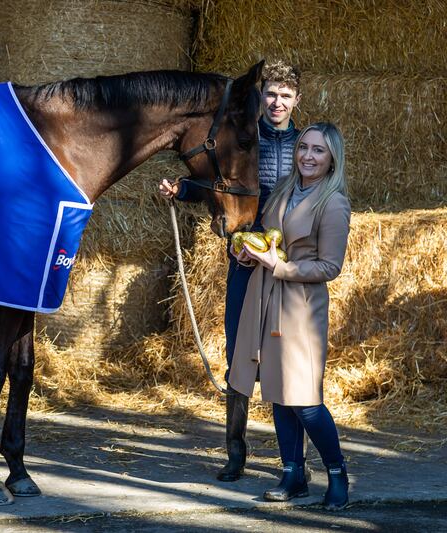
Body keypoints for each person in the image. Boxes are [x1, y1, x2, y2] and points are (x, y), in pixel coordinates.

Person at [160, 60, 302, 481]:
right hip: (243, 259)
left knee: (286, 362)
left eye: (285, 96)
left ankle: (293, 460)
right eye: (271, 94)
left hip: (284, 263)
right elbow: (218, 181)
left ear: (297, 100)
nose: (277, 103)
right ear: (261, 98)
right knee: (239, 357)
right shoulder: (242, 137)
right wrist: (183, 189)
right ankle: (235, 453)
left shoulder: (305, 146)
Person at [229, 122, 351, 511]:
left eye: (318, 151)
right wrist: (248, 252)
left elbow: (330, 267)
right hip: (266, 298)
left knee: (306, 400)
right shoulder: (284, 189)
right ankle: (293, 473)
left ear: (332, 159)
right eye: (303, 148)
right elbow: (269, 237)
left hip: (300, 307)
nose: (308, 156)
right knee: (279, 394)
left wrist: (278, 267)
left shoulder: (333, 202)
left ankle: (336, 473)